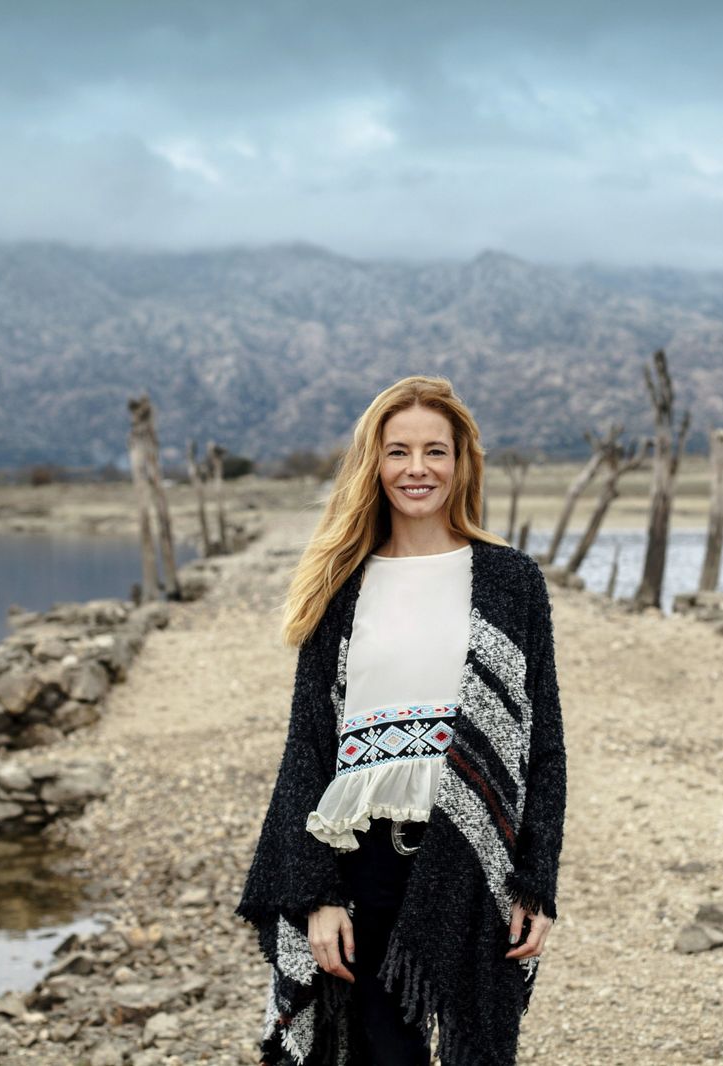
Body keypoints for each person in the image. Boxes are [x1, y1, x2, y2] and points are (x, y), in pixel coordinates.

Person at [236, 375, 567, 1066]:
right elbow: (309, 748)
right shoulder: (341, 584)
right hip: (363, 866)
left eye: (435, 451)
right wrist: (316, 894)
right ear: (374, 464)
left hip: (474, 858)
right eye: (398, 452)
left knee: (477, 1048)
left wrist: (535, 881)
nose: (418, 469)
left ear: (461, 462)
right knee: (375, 1052)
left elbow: (544, 747)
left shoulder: (512, 581)